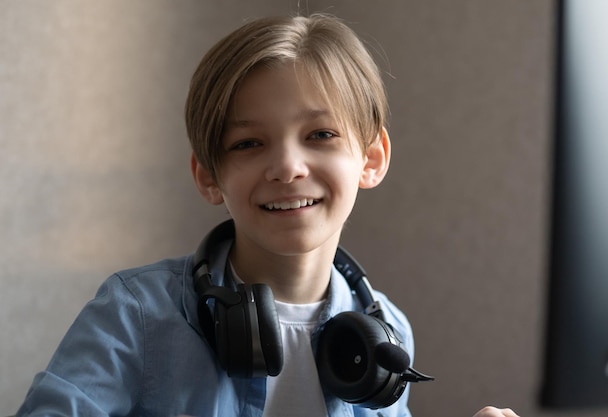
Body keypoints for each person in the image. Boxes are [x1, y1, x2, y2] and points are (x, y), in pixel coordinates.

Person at [15, 13, 520, 417]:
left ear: (371, 159)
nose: (286, 167)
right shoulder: (136, 314)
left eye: (320, 135)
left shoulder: (386, 330)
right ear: (209, 175)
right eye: (249, 143)